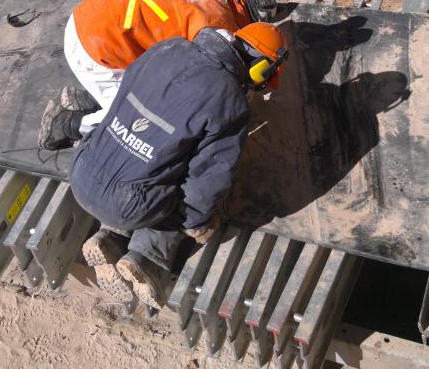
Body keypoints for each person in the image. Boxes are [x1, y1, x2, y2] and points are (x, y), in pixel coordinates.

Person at [69, 22, 289, 308]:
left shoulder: (167, 48)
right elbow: (209, 176)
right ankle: (147, 259)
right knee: (181, 197)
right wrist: (194, 222)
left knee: (142, 161)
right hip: (126, 204)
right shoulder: (229, 100)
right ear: (260, 69)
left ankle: (108, 237)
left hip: (82, 168)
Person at [38, 0, 277, 150]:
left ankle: (90, 98)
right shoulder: (214, 28)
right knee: (142, 118)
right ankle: (68, 123)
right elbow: (198, 86)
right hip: (94, 48)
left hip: (89, 15)